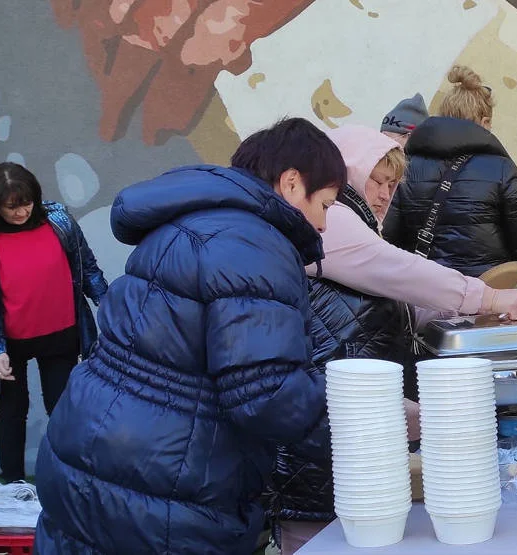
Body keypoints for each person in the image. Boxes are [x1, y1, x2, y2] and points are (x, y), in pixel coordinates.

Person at [34, 118, 344, 554]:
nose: (324, 224)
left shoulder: (193, 222)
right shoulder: (253, 244)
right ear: (293, 184)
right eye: (326, 205)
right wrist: (364, 424)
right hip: (159, 491)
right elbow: (265, 393)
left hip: (86, 460)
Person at [268, 125, 517, 555]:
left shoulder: (352, 224)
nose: (384, 194)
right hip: (322, 433)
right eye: (377, 180)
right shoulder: (329, 222)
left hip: (349, 427)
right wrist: (482, 295)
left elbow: (396, 299)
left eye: (393, 185)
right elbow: (399, 270)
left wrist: (472, 310)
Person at [0, 162, 107, 484]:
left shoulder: (59, 221)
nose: (21, 212)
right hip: (10, 343)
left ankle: (68, 479)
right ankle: (13, 483)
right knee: (12, 411)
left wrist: (108, 303)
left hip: (62, 334)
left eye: (26, 203)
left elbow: (87, 266)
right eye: (11, 207)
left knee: (62, 408)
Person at [383, 65, 517, 296]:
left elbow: (389, 237)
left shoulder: (408, 166)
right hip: (484, 294)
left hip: (426, 295)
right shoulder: (500, 168)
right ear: (483, 122)